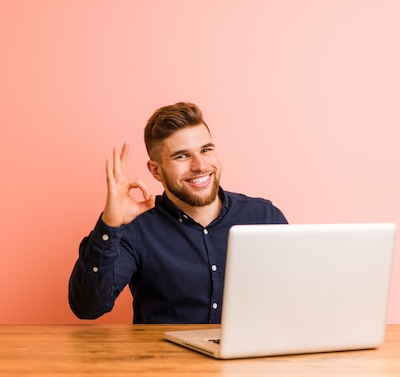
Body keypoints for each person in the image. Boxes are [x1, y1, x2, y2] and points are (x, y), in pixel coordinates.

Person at [68, 102, 288, 324]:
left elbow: (298, 294)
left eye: (205, 150)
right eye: (182, 156)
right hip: (167, 359)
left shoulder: (264, 217)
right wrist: (111, 224)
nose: (200, 165)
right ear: (156, 170)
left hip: (250, 357)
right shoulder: (137, 228)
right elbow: (88, 306)